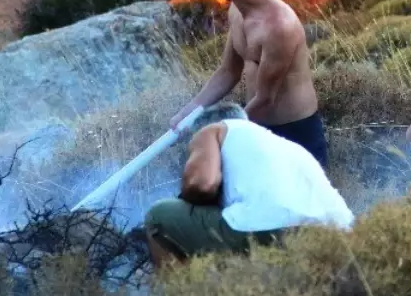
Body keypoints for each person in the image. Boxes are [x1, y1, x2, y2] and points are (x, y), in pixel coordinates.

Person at [169, 0, 328, 169]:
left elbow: (265, 98)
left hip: (296, 134)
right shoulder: (237, 11)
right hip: (257, 128)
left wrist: (223, 132)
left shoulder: (278, 27)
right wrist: (189, 112)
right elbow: (228, 72)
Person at [144, 111, 353, 268]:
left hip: (270, 226)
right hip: (342, 234)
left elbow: (203, 184)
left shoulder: (213, 130)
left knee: (159, 216)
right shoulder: (286, 146)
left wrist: (187, 201)